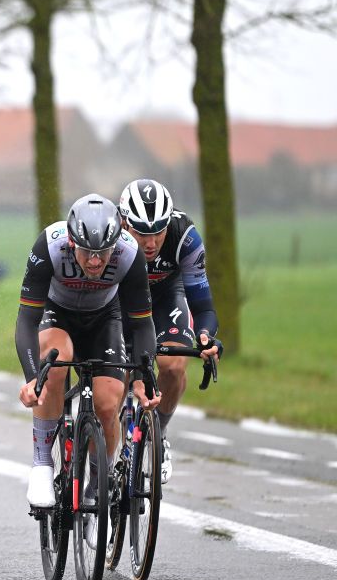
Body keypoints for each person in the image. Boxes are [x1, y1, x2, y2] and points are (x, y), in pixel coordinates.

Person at [15, 194, 161, 511]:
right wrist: (31, 380)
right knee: (54, 362)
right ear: (71, 240)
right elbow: (27, 319)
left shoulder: (129, 253)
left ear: (116, 242)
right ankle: (42, 464)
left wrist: (142, 377)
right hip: (58, 314)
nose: (95, 261)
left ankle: (98, 485)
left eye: (103, 253)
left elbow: (142, 324)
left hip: (104, 318)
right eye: (87, 252)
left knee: (108, 405)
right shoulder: (49, 246)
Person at [118, 179, 223, 482]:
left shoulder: (184, 237)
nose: (151, 243)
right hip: (121, 299)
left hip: (166, 296)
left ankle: (157, 434)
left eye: (158, 232)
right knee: (115, 372)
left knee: (173, 365)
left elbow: (203, 306)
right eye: (141, 233)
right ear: (124, 223)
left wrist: (204, 336)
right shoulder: (109, 234)